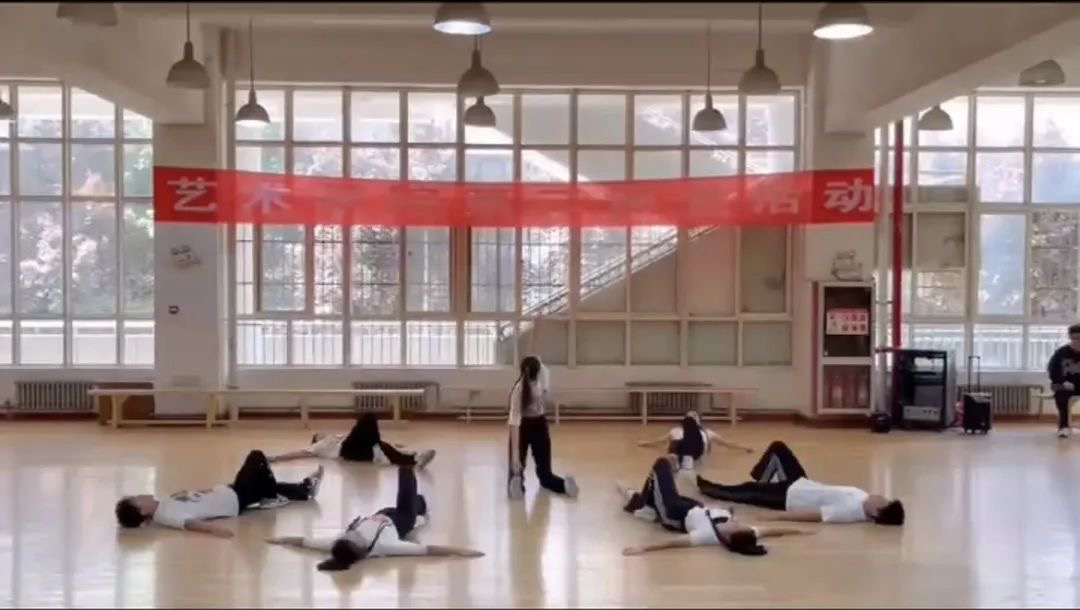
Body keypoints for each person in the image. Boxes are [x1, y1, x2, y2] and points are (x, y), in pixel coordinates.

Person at [267, 465, 484, 570]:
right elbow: (428, 551)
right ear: (361, 550)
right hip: (400, 521)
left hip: (382, 513)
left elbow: (304, 542)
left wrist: (280, 540)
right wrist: (461, 551)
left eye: (348, 536)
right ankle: (406, 465)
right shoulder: (385, 547)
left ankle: (421, 505)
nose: (350, 533)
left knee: (419, 502)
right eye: (353, 538)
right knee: (408, 500)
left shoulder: (336, 543)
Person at [618, 455, 812, 556]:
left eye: (736, 526)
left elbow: (672, 543)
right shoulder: (744, 532)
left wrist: (642, 548)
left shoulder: (707, 536)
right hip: (693, 505)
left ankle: (642, 504)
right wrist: (801, 532)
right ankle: (638, 501)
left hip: (672, 512)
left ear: (727, 537)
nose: (738, 522)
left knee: (662, 464)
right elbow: (773, 531)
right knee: (648, 493)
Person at [115, 450, 324, 537]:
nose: (141, 495)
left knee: (262, 482)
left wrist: (213, 489)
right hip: (235, 500)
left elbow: (194, 496)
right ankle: (271, 495)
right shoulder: (165, 515)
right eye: (137, 500)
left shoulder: (164, 504)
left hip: (229, 492)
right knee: (256, 457)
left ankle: (304, 490)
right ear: (142, 510)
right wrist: (216, 531)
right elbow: (190, 524)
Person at [695, 441, 905, 526]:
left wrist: (777, 516)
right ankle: (761, 486)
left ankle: (708, 488)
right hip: (801, 483)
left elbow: (814, 515)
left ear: (876, 512)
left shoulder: (849, 511)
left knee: (743, 492)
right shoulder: (863, 499)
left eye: (883, 501)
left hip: (788, 497)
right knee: (778, 449)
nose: (881, 497)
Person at [507, 355, 578, 499]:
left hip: (536, 425)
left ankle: (564, 485)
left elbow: (513, 424)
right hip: (526, 426)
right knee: (528, 472)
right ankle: (517, 485)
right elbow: (514, 425)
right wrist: (515, 456)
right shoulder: (526, 388)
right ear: (538, 372)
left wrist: (515, 457)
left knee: (536, 474)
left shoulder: (529, 386)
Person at [268, 412, 436, 468]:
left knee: (380, 446)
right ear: (316, 439)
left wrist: (397, 445)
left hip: (360, 451)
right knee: (369, 419)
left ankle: (415, 458)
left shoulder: (335, 438)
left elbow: (368, 438)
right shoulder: (320, 446)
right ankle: (413, 457)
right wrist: (275, 458)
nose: (322, 433)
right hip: (349, 450)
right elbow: (300, 453)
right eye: (319, 434)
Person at [636, 410, 754, 470]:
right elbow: (658, 441)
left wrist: (745, 448)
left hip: (696, 458)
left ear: (699, 420)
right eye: (690, 416)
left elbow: (727, 443)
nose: (692, 417)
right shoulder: (675, 431)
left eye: (695, 415)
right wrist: (644, 444)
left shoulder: (708, 433)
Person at [1047, 323, 1080, 438]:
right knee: (1060, 395)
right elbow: (1052, 370)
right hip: (1065, 386)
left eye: (1079, 338)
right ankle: (1064, 427)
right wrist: (1062, 381)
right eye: (1074, 338)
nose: (1077, 341)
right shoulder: (1061, 353)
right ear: (1070, 338)